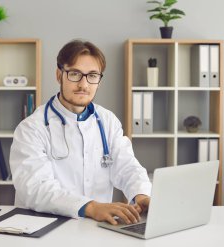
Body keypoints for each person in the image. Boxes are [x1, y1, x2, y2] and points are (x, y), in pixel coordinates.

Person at [10, 39, 151, 225]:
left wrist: (141, 195)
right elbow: (35, 188)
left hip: (97, 228)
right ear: (59, 75)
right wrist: (91, 207)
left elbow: (127, 167)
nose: (84, 84)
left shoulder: (107, 121)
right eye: (75, 74)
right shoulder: (32, 128)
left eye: (92, 75)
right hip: (45, 228)